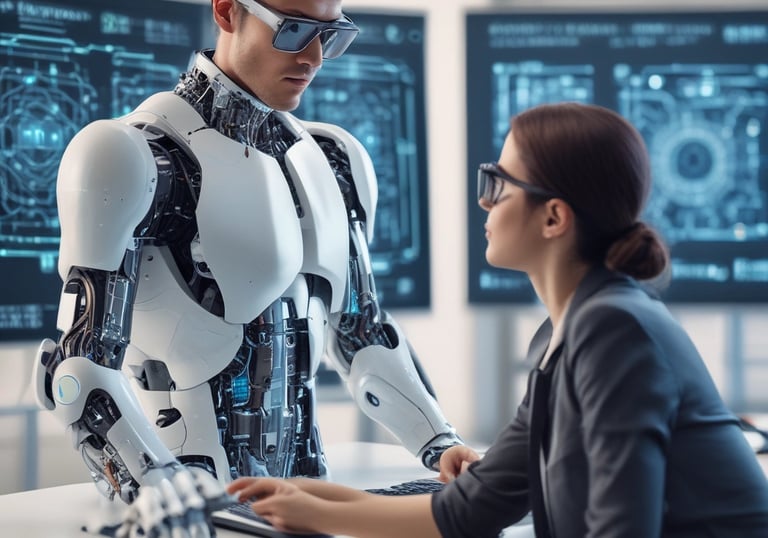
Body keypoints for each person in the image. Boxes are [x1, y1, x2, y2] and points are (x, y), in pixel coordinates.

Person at [226, 102, 768, 538]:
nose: (484, 204)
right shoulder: (565, 334)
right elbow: (469, 511)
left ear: (554, 217)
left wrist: (321, 515)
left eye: (497, 183)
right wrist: (305, 502)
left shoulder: (614, 332)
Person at [32, 0, 462, 536]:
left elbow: (361, 333)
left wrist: (441, 444)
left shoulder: (333, 158)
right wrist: (154, 480)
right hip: (191, 501)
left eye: (331, 36)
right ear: (228, 11)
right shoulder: (135, 155)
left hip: (305, 500)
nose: (313, 56)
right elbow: (76, 369)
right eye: (295, 30)